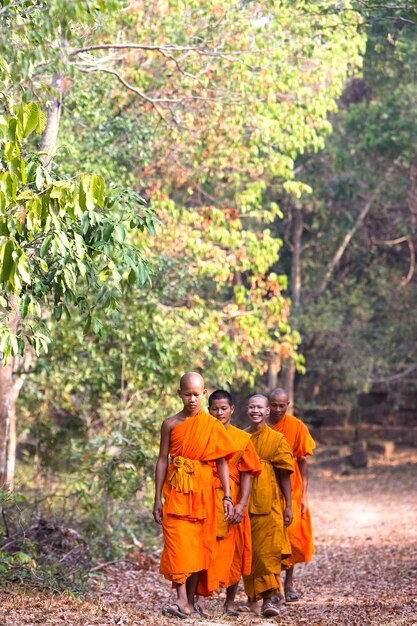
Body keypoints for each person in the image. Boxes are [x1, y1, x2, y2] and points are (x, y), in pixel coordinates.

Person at [153, 372, 239, 619]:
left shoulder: (211, 425)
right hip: (177, 489)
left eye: (197, 394)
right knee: (177, 544)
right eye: (187, 394)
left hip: (203, 492)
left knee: (198, 548)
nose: (192, 399)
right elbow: (161, 461)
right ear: (179, 393)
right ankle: (181, 599)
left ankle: (188, 602)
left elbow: (222, 461)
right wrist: (157, 498)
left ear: (204, 394)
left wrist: (227, 496)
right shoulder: (170, 424)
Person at [195, 390, 261, 616]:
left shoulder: (243, 439)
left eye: (224, 408)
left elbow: (248, 474)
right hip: (204, 497)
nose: (219, 413)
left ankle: (230, 602)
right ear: (208, 410)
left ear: (232, 409)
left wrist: (242, 505)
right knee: (204, 549)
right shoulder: (201, 433)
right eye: (215, 409)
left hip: (231, 500)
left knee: (235, 551)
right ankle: (200, 601)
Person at [242, 394, 294, 618]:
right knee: (249, 552)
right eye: (252, 406)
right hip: (243, 503)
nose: (255, 411)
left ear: (266, 412)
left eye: (259, 407)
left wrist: (289, 505)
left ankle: (269, 599)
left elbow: (285, 474)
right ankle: (252, 598)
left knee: (267, 553)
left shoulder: (277, 439)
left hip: (269, 502)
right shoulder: (240, 437)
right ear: (247, 410)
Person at [267, 387, 316, 602]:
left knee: (292, 535)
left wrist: (304, 495)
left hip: (292, 485)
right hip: (266, 484)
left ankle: (289, 583)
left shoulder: (296, 426)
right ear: (268, 404)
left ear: (288, 405)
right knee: (270, 537)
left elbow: (302, 461)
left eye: (281, 405)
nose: (277, 410)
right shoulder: (260, 424)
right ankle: (273, 584)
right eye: (274, 405)